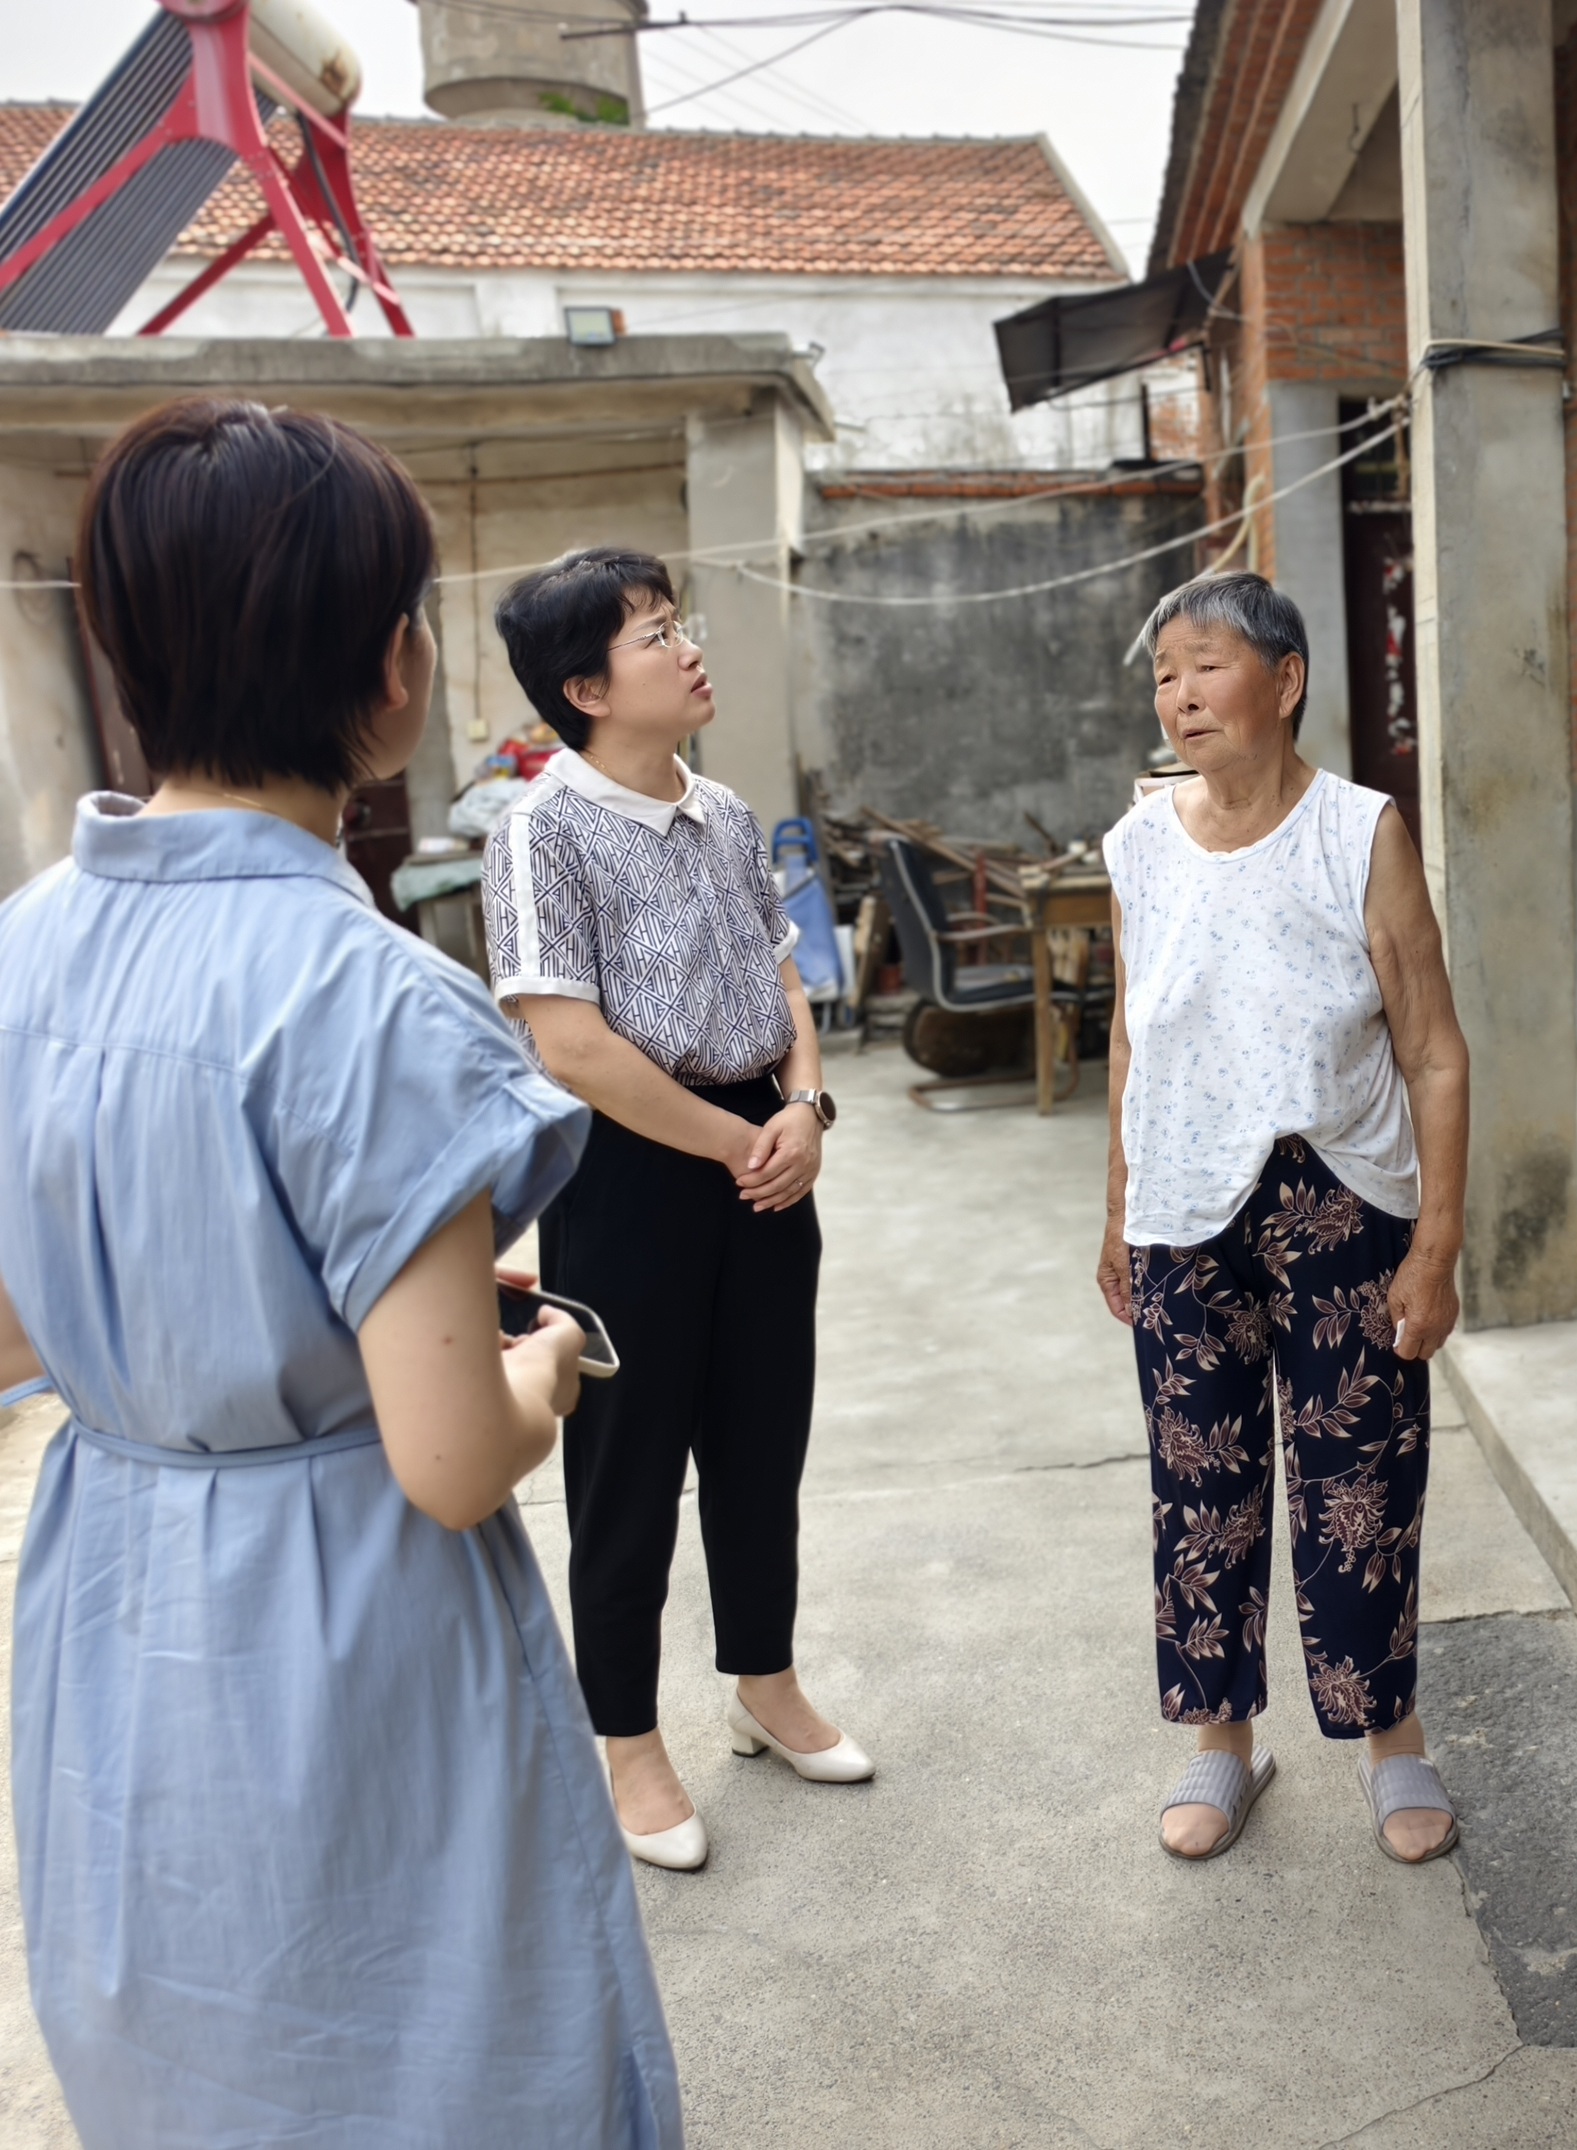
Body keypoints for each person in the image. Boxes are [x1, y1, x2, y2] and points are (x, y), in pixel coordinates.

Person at [0, 398, 681, 2143]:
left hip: (115, 1604)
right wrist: (550, 1362)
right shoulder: (373, 998)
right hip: (347, 1633)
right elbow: (449, 1460)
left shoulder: (20, 950)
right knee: (426, 2053)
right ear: (393, 672)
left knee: (188, 2063)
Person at [485, 547, 869, 1872]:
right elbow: (568, 1044)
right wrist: (736, 1142)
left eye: (677, 622)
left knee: (764, 1439)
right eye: (657, 634)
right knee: (629, 1466)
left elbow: (786, 969)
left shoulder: (723, 807)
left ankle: (765, 1681)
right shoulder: (539, 829)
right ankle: (629, 1740)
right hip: (633, 1173)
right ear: (587, 685)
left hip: (768, 1144)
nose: (689, 646)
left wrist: (805, 1110)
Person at [1094, 570, 1473, 1864]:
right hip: (1183, 1204)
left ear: (1287, 679)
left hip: (1339, 1196)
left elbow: (1434, 1050)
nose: (1180, 693)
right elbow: (1129, 1035)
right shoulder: (1138, 843)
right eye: (1163, 675)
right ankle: (1220, 1740)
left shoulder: (1360, 830)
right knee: (1200, 1478)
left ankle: (1391, 1740)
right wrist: (1116, 1211)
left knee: (1360, 1481)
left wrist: (1437, 1243)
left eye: (1204, 664)